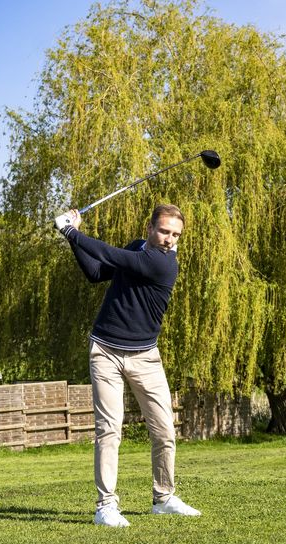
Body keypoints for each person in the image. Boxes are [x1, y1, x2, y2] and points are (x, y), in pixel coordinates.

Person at [55, 204, 200, 527]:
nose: (169, 240)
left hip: (146, 357)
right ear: (149, 228)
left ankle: (163, 498)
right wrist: (72, 238)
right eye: (164, 231)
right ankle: (105, 505)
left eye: (176, 235)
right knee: (109, 430)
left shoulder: (163, 264)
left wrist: (71, 231)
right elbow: (96, 272)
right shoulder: (137, 248)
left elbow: (110, 254)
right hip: (105, 350)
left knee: (164, 430)